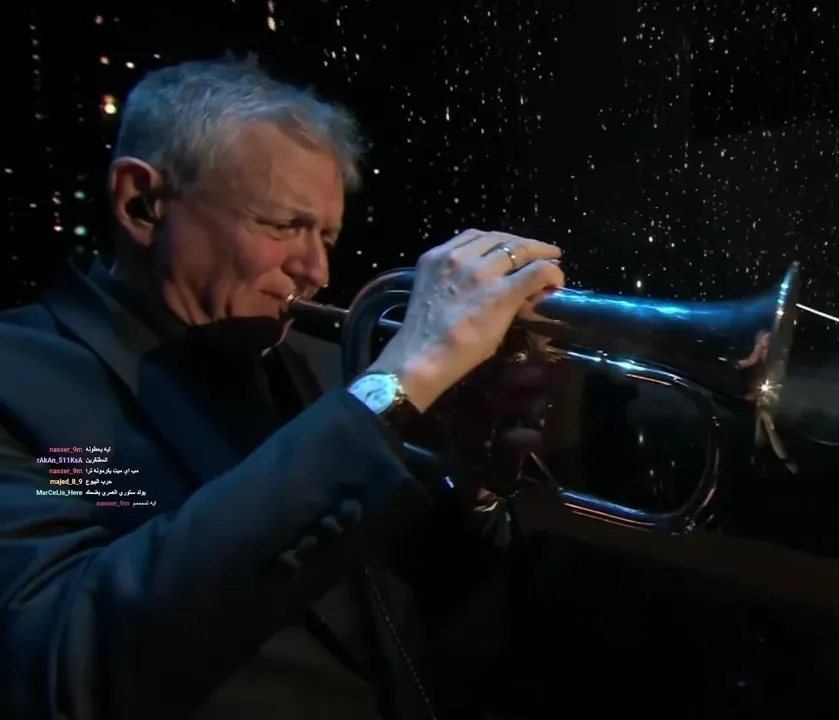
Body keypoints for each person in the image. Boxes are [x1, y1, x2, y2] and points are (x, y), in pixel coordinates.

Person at [0, 58, 564, 719]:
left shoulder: (323, 365)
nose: (316, 270)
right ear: (141, 204)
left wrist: (467, 482)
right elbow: (61, 665)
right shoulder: (18, 379)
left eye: (325, 236)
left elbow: (408, 616)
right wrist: (390, 389)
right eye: (282, 226)